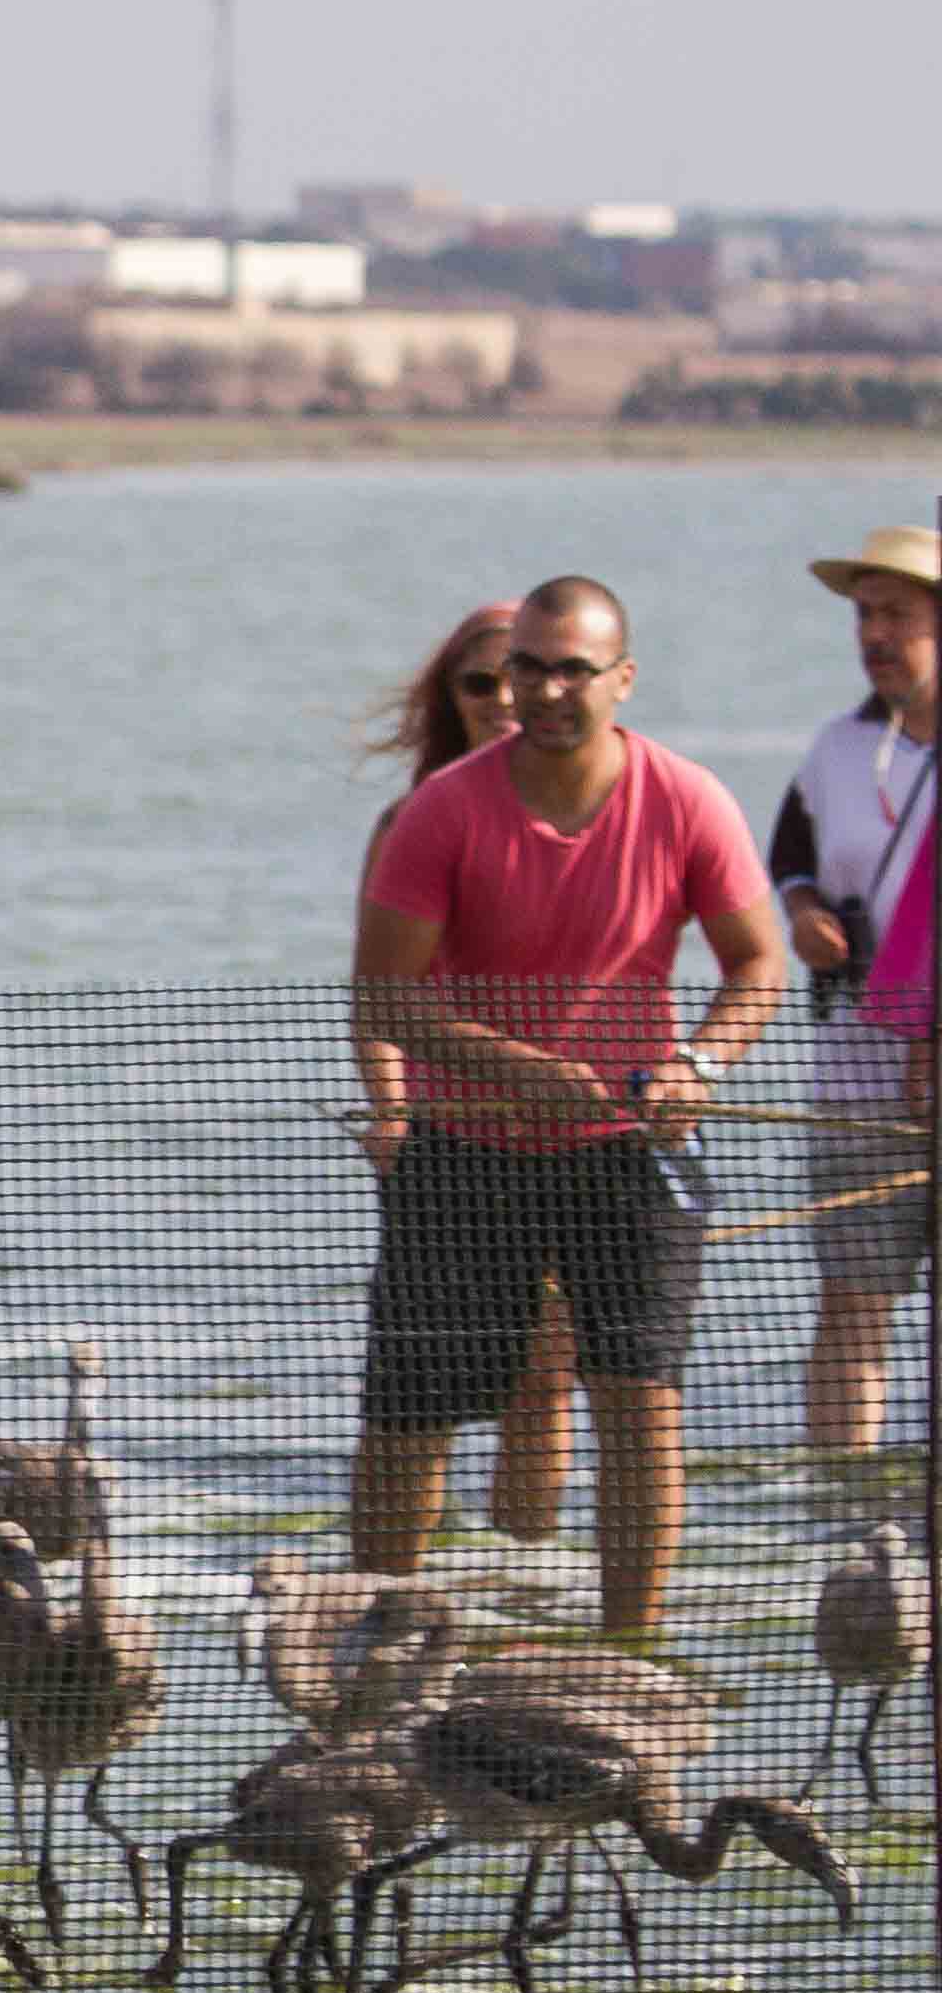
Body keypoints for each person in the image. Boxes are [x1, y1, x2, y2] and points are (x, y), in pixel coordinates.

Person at [350, 574, 791, 1640]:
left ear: (621, 680)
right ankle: (375, 1645)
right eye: (526, 670)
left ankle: (629, 1651)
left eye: (572, 671)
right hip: (464, 1150)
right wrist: (507, 1066)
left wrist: (701, 1066)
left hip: (627, 1154)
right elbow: (382, 998)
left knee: (639, 1406)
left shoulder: (689, 799)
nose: (545, 692)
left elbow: (756, 963)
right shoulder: (439, 812)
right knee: (411, 1416)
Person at [349, 602, 579, 1537]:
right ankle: (396, 1597)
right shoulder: (411, 820)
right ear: (452, 699)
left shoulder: (595, 811)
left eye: (515, 677)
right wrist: (393, 1115)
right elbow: (374, 1000)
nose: (499, 700)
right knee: (423, 1387)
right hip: (447, 1142)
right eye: (476, 683)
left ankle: (522, 1586)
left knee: (545, 1378)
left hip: (574, 1137)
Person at [772, 525, 938, 1456]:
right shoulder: (835, 749)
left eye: (899, 616)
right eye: (865, 615)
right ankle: (842, 1520)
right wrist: (799, 911)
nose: (875, 634)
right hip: (855, 1091)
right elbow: (790, 853)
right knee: (851, 1312)